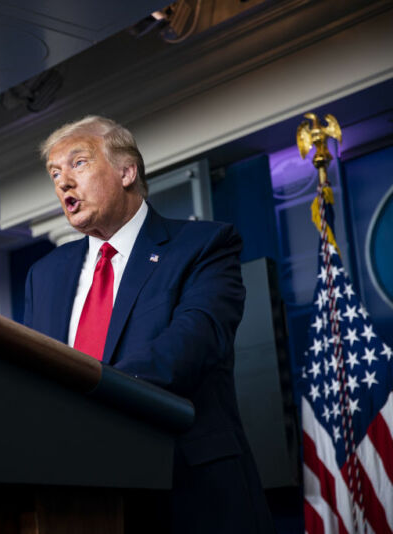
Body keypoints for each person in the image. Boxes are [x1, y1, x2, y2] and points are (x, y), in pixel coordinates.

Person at [24, 116, 274, 533]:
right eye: (54, 173)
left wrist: (89, 394)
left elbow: (192, 345)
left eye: (78, 163)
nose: (63, 182)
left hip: (188, 493)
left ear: (127, 171)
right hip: (77, 499)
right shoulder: (44, 275)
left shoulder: (203, 246)